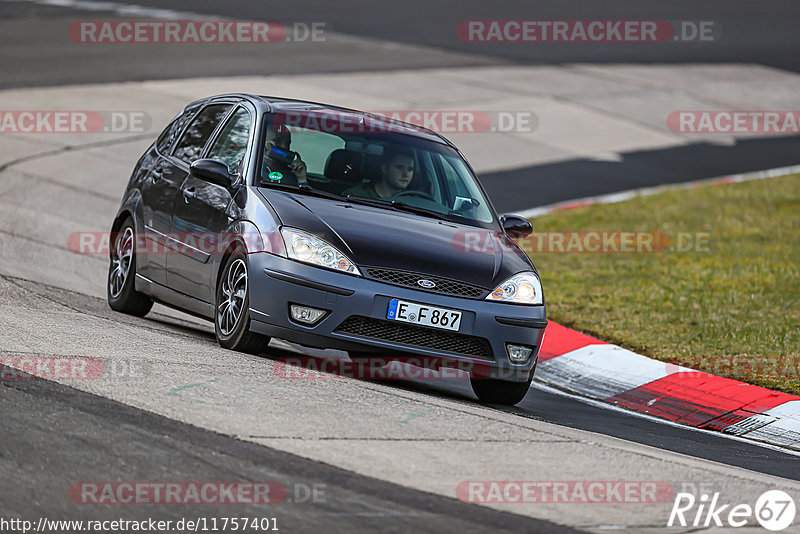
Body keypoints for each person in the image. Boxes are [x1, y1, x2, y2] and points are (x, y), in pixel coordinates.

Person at [343, 146, 414, 199]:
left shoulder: (413, 202)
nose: (406, 174)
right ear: (385, 169)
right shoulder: (355, 195)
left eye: (410, 169)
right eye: (399, 168)